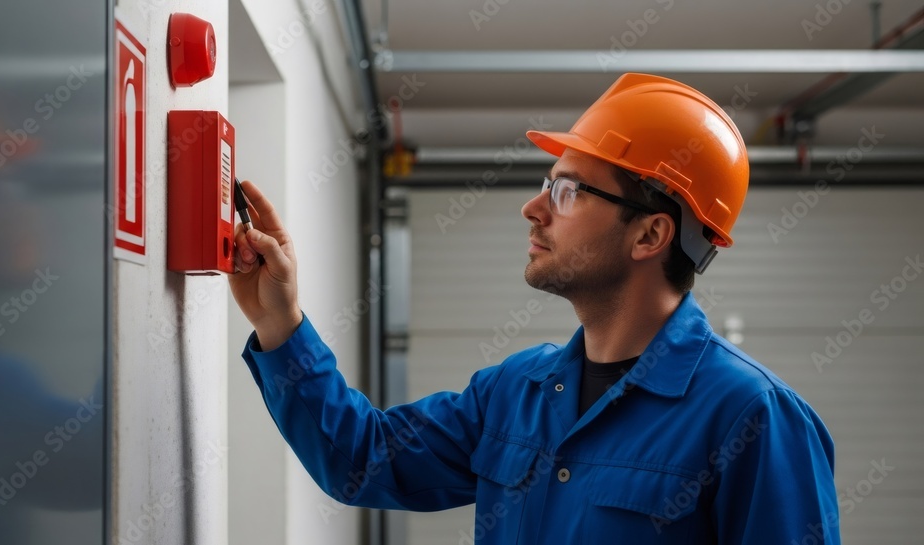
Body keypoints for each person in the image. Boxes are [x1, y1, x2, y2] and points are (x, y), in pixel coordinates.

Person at [228, 73, 840, 544]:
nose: (534, 208)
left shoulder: (752, 418)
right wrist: (279, 323)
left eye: (568, 191)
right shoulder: (516, 392)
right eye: (548, 184)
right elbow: (363, 461)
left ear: (650, 235)